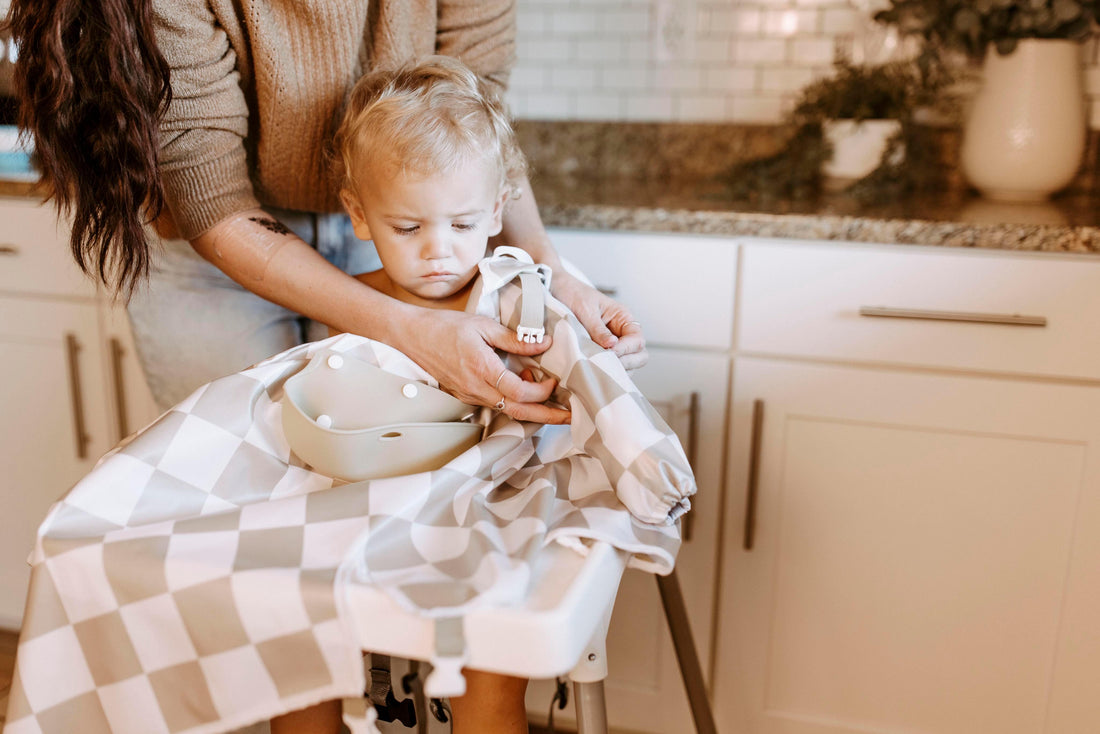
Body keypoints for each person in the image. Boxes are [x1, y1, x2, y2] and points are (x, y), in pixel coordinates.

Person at [5, 0, 646, 428]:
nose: (444, 248)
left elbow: (475, 140)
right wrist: (407, 327)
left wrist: (549, 272)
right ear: (357, 211)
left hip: (392, 221)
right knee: (249, 479)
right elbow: (212, 198)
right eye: (419, 231)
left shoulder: (426, 234)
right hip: (218, 252)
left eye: (461, 228)